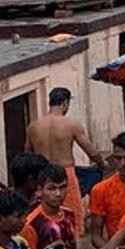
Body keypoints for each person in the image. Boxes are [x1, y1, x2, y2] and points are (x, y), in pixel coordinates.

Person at [25, 87, 106, 237]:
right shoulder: (71, 125)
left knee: (44, 216)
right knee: (72, 218)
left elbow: (27, 155)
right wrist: (102, 164)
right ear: (65, 103)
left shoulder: (33, 126)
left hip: (43, 175)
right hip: (65, 174)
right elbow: (91, 151)